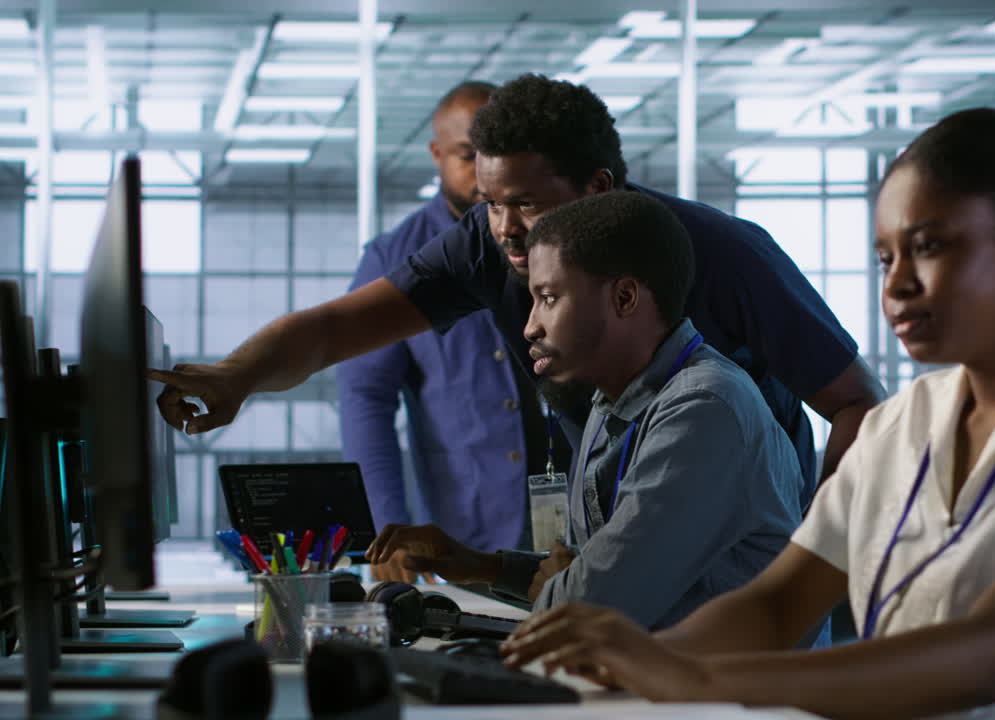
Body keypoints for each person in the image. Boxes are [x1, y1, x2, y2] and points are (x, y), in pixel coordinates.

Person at [500, 108, 995, 719]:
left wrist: (687, 675)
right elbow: (775, 608)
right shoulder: (902, 424)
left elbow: (992, 658)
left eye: (929, 247)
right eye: (885, 257)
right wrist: (617, 667)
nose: (897, 285)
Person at [148, 74, 883, 507]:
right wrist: (238, 375)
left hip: (744, 534)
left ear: (598, 189)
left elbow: (856, 402)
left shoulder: (724, 254)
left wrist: (813, 549)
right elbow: (333, 332)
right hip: (611, 523)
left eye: (527, 203)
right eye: (489, 202)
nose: (504, 229)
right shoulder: (487, 243)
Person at [365, 191, 807, 633]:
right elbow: (589, 572)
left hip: (728, 696)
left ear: (625, 298)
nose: (530, 326)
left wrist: (569, 582)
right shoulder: (612, 400)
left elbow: (588, 610)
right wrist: (477, 565)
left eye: (549, 298)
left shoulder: (702, 410)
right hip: (655, 681)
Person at [336, 81, 569, 583]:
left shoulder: (560, 237)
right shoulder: (393, 257)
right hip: (466, 527)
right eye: (468, 155)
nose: (485, 172)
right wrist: (387, 527)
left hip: (579, 514)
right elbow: (365, 398)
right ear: (437, 154)